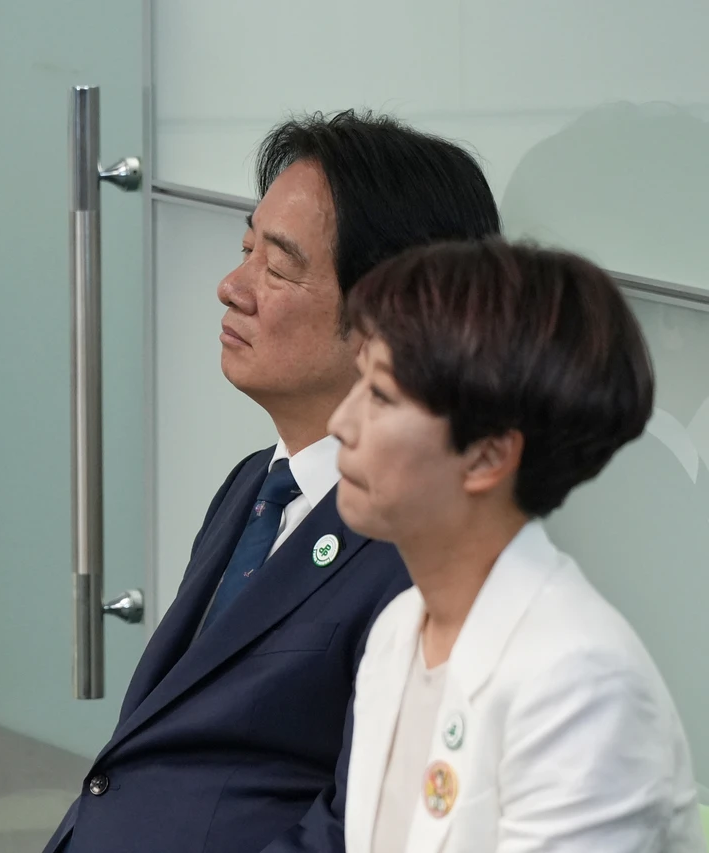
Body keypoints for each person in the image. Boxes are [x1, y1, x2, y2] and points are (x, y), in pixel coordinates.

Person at [43, 111, 501, 853]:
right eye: (245, 249)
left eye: (279, 268)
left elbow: (370, 828)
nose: (233, 287)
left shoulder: (426, 547)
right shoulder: (257, 484)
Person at [330, 240, 705, 853]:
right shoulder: (399, 630)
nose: (340, 424)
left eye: (380, 396)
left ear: (488, 456)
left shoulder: (581, 681)